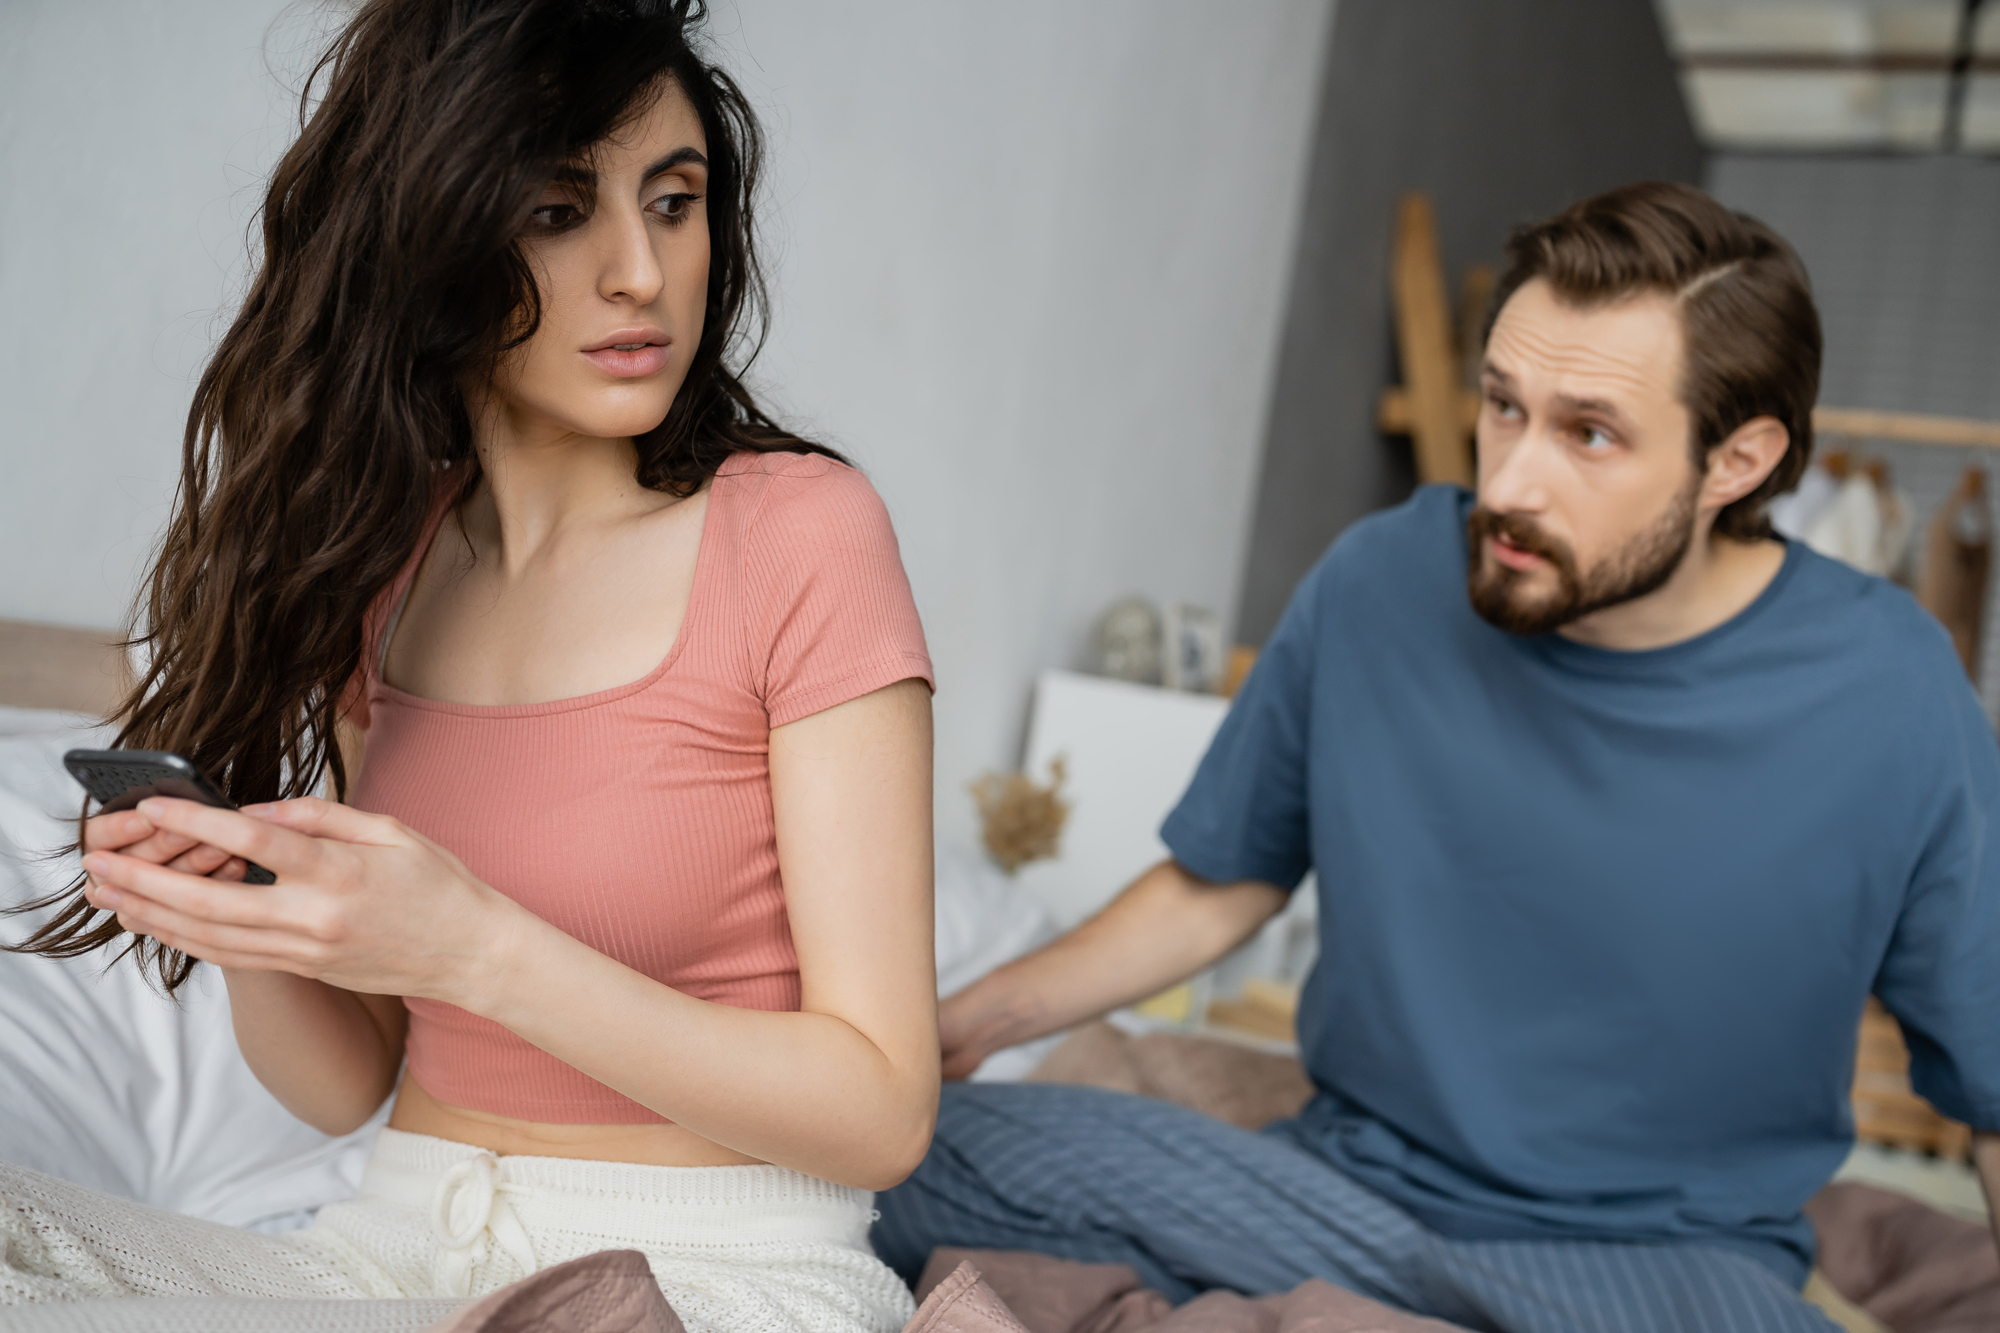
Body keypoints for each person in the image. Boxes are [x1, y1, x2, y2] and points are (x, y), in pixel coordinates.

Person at [873, 182, 2000, 1333]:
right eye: (1503, 406)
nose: (1509, 481)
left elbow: (1991, 1078)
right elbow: (1225, 880)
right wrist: (977, 1017)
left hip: (1659, 1266)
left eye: (1589, 433)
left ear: (1737, 461)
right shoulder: (1380, 581)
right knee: (894, 1165)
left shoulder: (1891, 695)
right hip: (1332, 1194)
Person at [1, 3, 937, 1329]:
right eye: (562, 211)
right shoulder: (389, 570)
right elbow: (351, 1081)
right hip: (393, 1256)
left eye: (674, 204)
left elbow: (884, 1105)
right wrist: (244, 921)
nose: (641, 272)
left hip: (716, 1276)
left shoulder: (798, 533)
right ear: (434, 236)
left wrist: (480, 947)